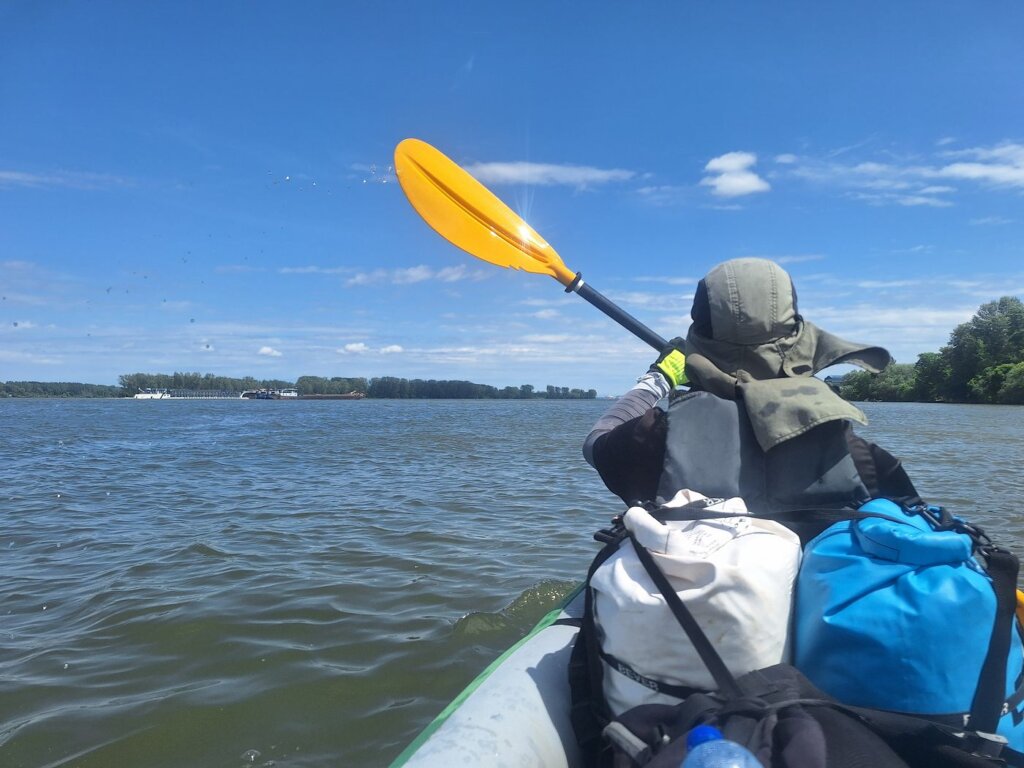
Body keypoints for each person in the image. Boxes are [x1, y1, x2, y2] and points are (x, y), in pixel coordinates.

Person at [583, 258, 918, 528]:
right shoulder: (855, 455)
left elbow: (597, 442)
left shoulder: (654, 439)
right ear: (798, 340)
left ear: (698, 340)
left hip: (690, 605)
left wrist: (659, 378)